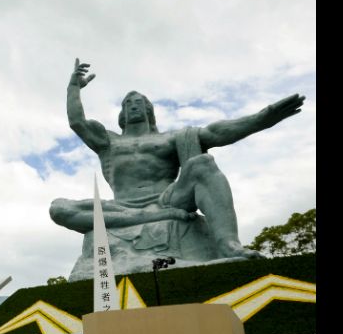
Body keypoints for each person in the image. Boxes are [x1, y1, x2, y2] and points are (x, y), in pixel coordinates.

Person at [49, 58, 305, 259]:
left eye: (139, 103)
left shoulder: (172, 138)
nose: (133, 106)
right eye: (128, 104)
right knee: (59, 208)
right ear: (122, 114)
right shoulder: (108, 141)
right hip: (122, 208)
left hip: (167, 200)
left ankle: (229, 244)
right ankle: (146, 218)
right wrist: (73, 88)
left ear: (149, 110)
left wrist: (260, 119)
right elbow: (78, 122)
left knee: (203, 164)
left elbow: (216, 132)